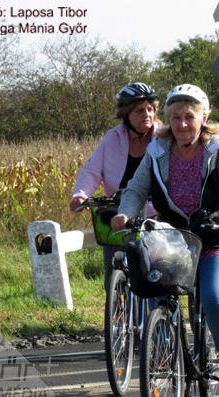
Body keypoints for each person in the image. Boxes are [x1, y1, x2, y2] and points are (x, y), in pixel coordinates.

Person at [110, 84, 219, 393]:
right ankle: (161, 342)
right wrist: (124, 212)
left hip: (217, 237)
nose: (182, 124)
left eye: (189, 116)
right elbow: (136, 188)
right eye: (175, 118)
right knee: (153, 283)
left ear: (204, 118)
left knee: (213, 296)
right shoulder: (157, 151)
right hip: (175, 239)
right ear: (168, 120)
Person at [69, 82, 160, 290]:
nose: (146, 114)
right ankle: (117, 313)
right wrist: (80, 195)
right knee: (113, 266)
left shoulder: (163, 138)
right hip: (118, 211)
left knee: (155, 273)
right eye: (139, 110)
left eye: (150, 109)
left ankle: (158, 317)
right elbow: (92, 170)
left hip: (155, 211)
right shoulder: (112, 139)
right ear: (126, 114)